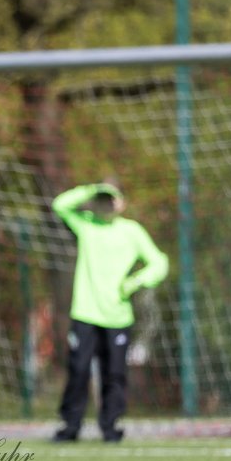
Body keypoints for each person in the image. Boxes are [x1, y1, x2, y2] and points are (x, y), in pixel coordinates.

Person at [51, 182, 169, 442]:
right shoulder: (86, 225)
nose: (105, 204)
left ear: (121, 203)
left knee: (114, 372)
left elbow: (159, 263)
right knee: (79, 370)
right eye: (101, 200)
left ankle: (110, 426)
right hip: (85, 313)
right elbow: (59, 205)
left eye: (110, 199)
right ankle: (70, 426)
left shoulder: (131, 231)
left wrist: (134, 283)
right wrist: (91, 190)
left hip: (117, 316)